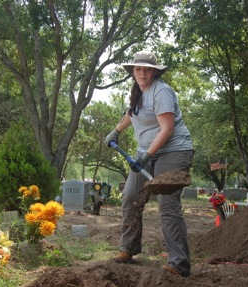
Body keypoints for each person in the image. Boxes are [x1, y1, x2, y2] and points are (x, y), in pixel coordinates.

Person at [103, 50, 194, 277]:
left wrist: (146, 156)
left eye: (146, 69)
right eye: (138, 69)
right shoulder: (138, 92)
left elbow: (167, 128)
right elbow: (131, 114)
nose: (142, 72)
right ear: (133, 71)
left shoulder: (161, 91)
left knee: (167, 204)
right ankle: (129, 248)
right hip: (147, 151)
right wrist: (115, 131)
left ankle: (179, 263)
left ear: (154, 71)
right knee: (131, 197)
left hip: (173, 151)